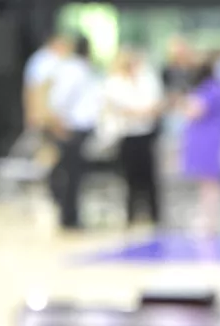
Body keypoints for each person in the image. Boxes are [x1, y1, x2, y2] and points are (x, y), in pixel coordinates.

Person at [103, 48, 165, 228]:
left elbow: (155, 106)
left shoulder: (147, 80)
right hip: (126, 134)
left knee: (150, 177)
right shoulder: (114, 82)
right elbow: (118, 108)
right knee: (130, 178)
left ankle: (154, 216)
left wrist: (142, 112)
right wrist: (139, 112)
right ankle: (131, 215)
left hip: (146, 133)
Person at [48, 35, 101, 232]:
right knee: (70, 176)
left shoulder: (83, 69)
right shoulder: (73, 70)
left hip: (81, 127)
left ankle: (72, 215)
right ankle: (68, 216)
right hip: (72, 129)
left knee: (76, 176)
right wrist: (60, 124)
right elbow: (60, 99)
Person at [181, 53, 220, 236]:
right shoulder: (213, 89)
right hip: (207, 139)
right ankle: (206, 220)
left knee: (210, 183)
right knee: (206, 184)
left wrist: (184, 102)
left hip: (208, 141)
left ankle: (209, 222)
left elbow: (195, 111)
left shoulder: (211, 89)